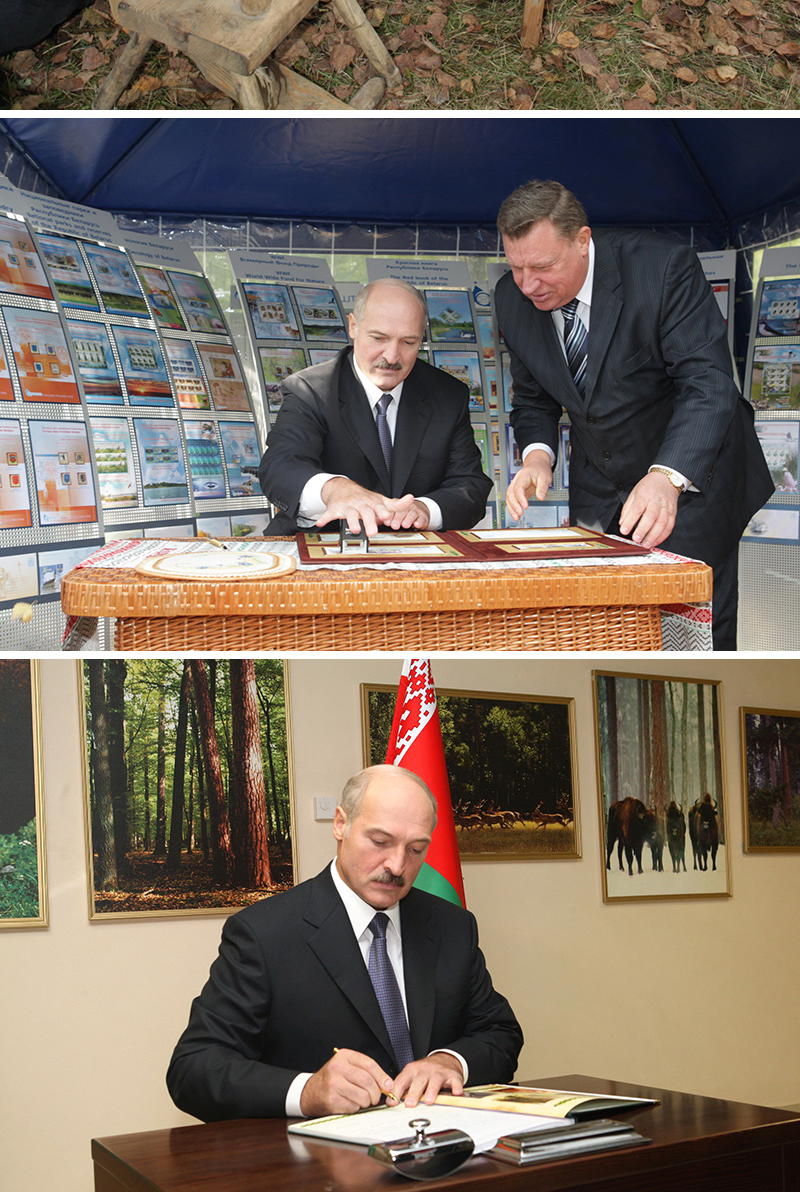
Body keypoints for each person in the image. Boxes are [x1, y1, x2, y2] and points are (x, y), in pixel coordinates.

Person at [495, 174, 773, 650]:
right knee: (606, 625)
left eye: (541, 266)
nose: (527, 285)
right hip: (600, 487)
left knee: (692, 632)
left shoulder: (663, 269)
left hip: (692, 479)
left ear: (583, 241)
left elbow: (708, 382)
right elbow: (535, 395)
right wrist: (538, 455)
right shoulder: (510, 298)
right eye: (516, 267)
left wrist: (667, 477)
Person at [166, 759, 524, 1120]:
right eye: (380, 841)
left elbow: (499, 1033)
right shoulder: (264, 933)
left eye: (416, 849)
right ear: (341, 824)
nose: (397, 866)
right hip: (318, 1163)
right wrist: (306, 1091)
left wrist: (451, 1062)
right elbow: (193, 1068)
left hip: (440, 1146)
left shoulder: (451, 926)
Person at [259, 278, 491, 534]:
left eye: (408, 342)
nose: (392, 357)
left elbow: (470, 484)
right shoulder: (310, 390)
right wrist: (335, 489)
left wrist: (425, 510)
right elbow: (279, 467)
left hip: (412, 556)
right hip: (323, 546)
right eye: (379, 338)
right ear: (353, 326)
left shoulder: (447, 395)